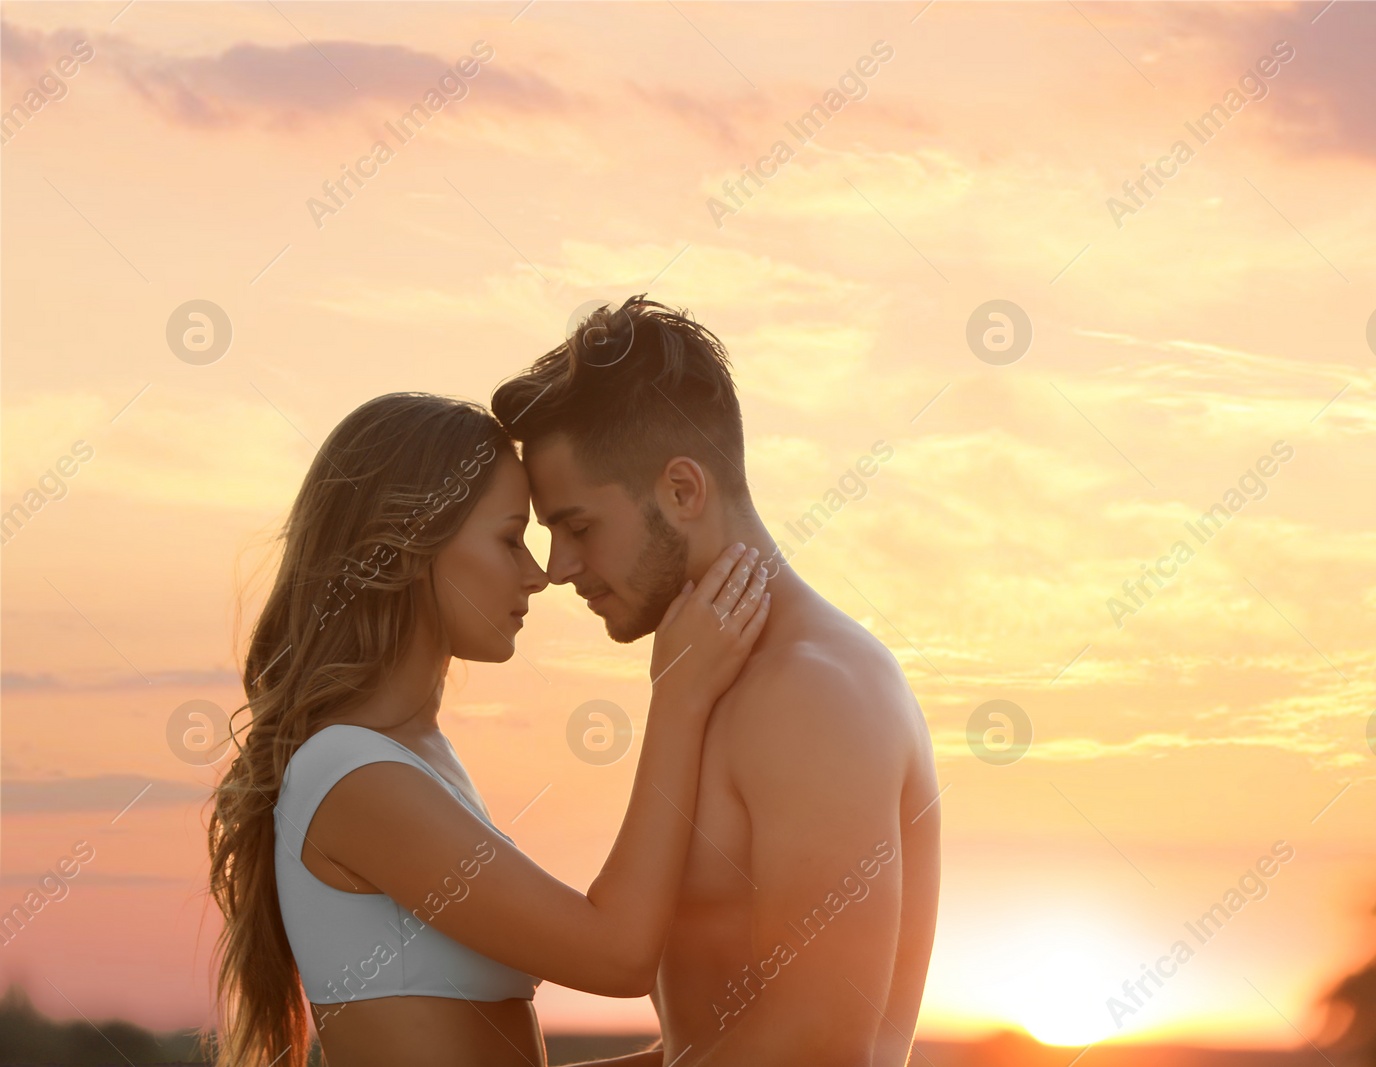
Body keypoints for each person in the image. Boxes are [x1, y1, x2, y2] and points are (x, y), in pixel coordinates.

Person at [206, 392, 770, 1067]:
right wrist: (677, 695)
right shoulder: (352, 775)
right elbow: (617, 954)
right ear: (411, 544)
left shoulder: (416, 759)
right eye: (510, 538)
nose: (538, 574)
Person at [491, 296, 942, 1066]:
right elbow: (706, 1048)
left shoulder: (813, 693)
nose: (559, 567)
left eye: (580, 527)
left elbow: (816, 1046)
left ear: (682, 491)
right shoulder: (713, 674)